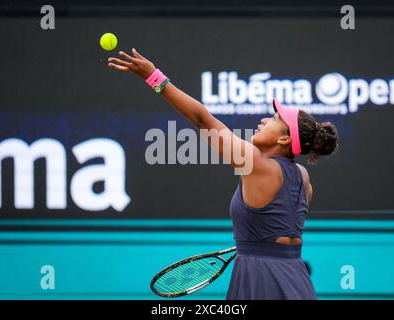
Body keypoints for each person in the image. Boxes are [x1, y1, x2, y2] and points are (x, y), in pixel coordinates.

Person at [108, 49, 338, 300]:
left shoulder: (254, 163)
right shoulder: (303, 178)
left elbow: (202, 120)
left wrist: (153, 76)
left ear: (284, 138)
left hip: (260, 281)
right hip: (297, 282)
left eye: (273, 118)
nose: (263, 120)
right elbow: (279, 233)